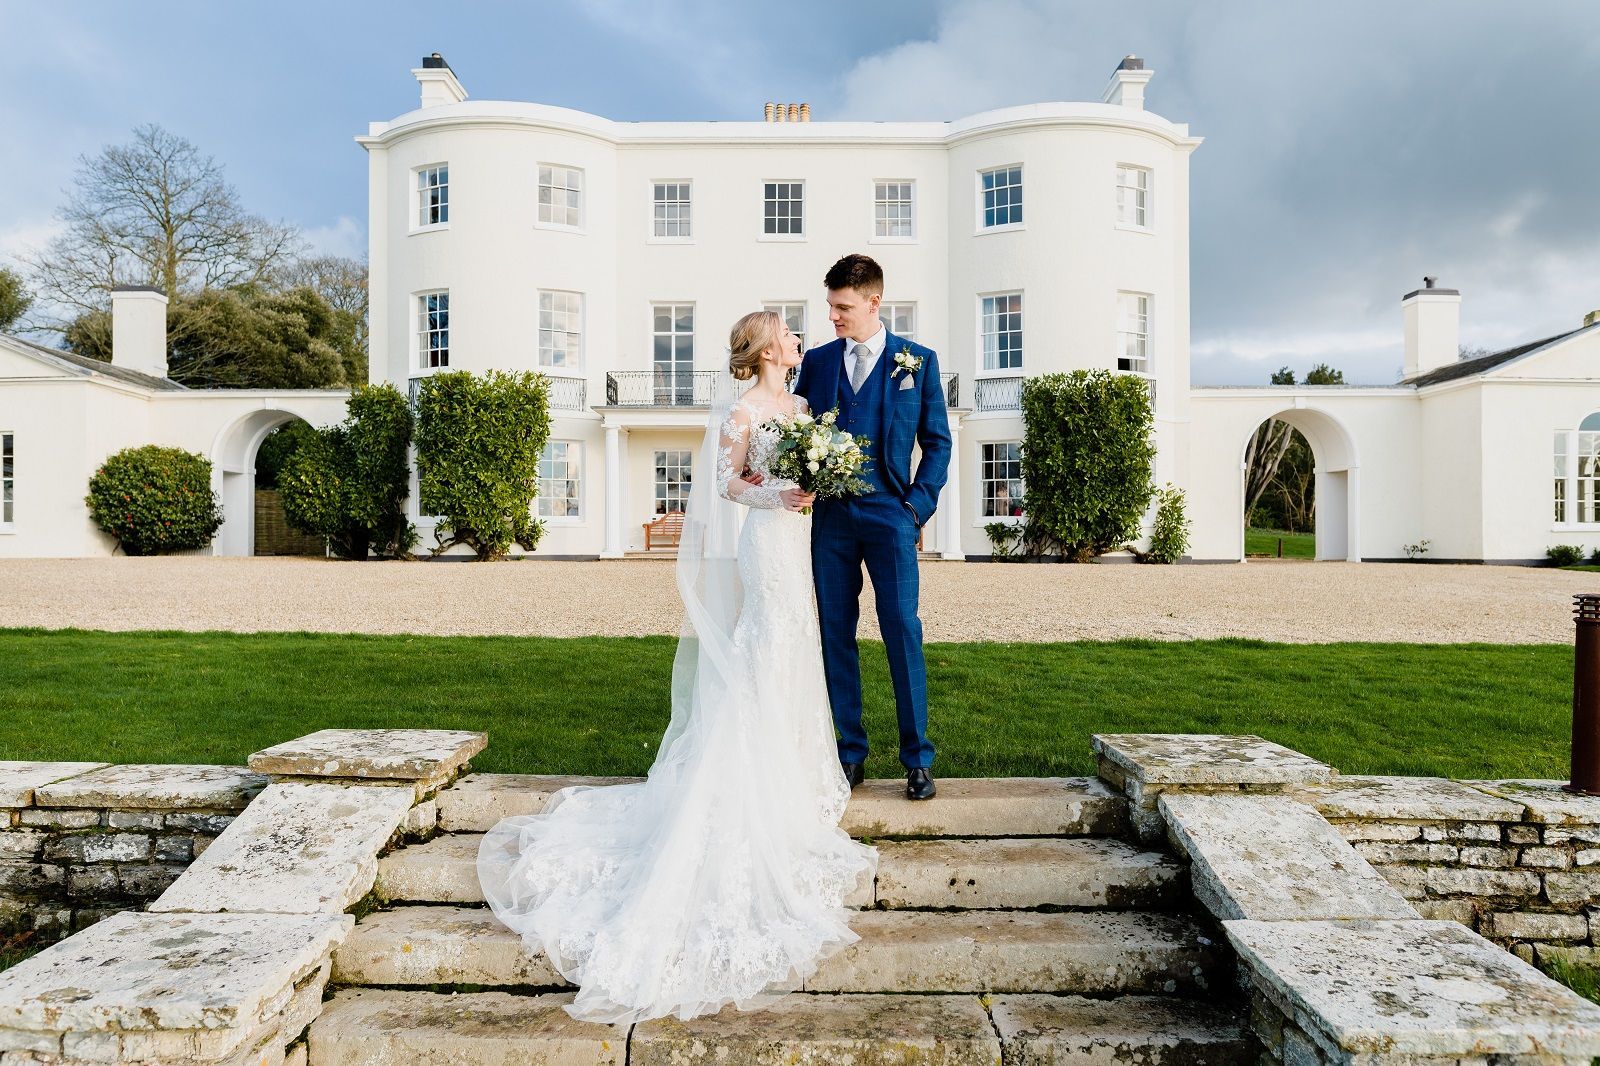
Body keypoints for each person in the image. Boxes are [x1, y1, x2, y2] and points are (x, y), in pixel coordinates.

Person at [476, 310, 877, 1025]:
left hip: (800, 539)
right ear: (761, 349)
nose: (797, 338)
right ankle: (749, 775)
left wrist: (816, 487)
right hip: (767, 538)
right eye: (786, 332)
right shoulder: (746, 409)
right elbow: (729, 483)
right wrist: (776, 494)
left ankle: (793, 765)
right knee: (768, 641)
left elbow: (808, 463)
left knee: (795, 647)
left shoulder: (805, 407)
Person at [792, 253, 952, 800]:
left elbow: (937, 442)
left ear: (874, 301)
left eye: (843, 307)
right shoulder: (815, 362)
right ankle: (849, 754)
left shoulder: (919, 361)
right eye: (831, 307)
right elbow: (792, 432)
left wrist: (916, 508)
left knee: (901, 630)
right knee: (835, 633)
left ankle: (917, 758)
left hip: (891, 514)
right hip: (831, 519)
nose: (834, 317)